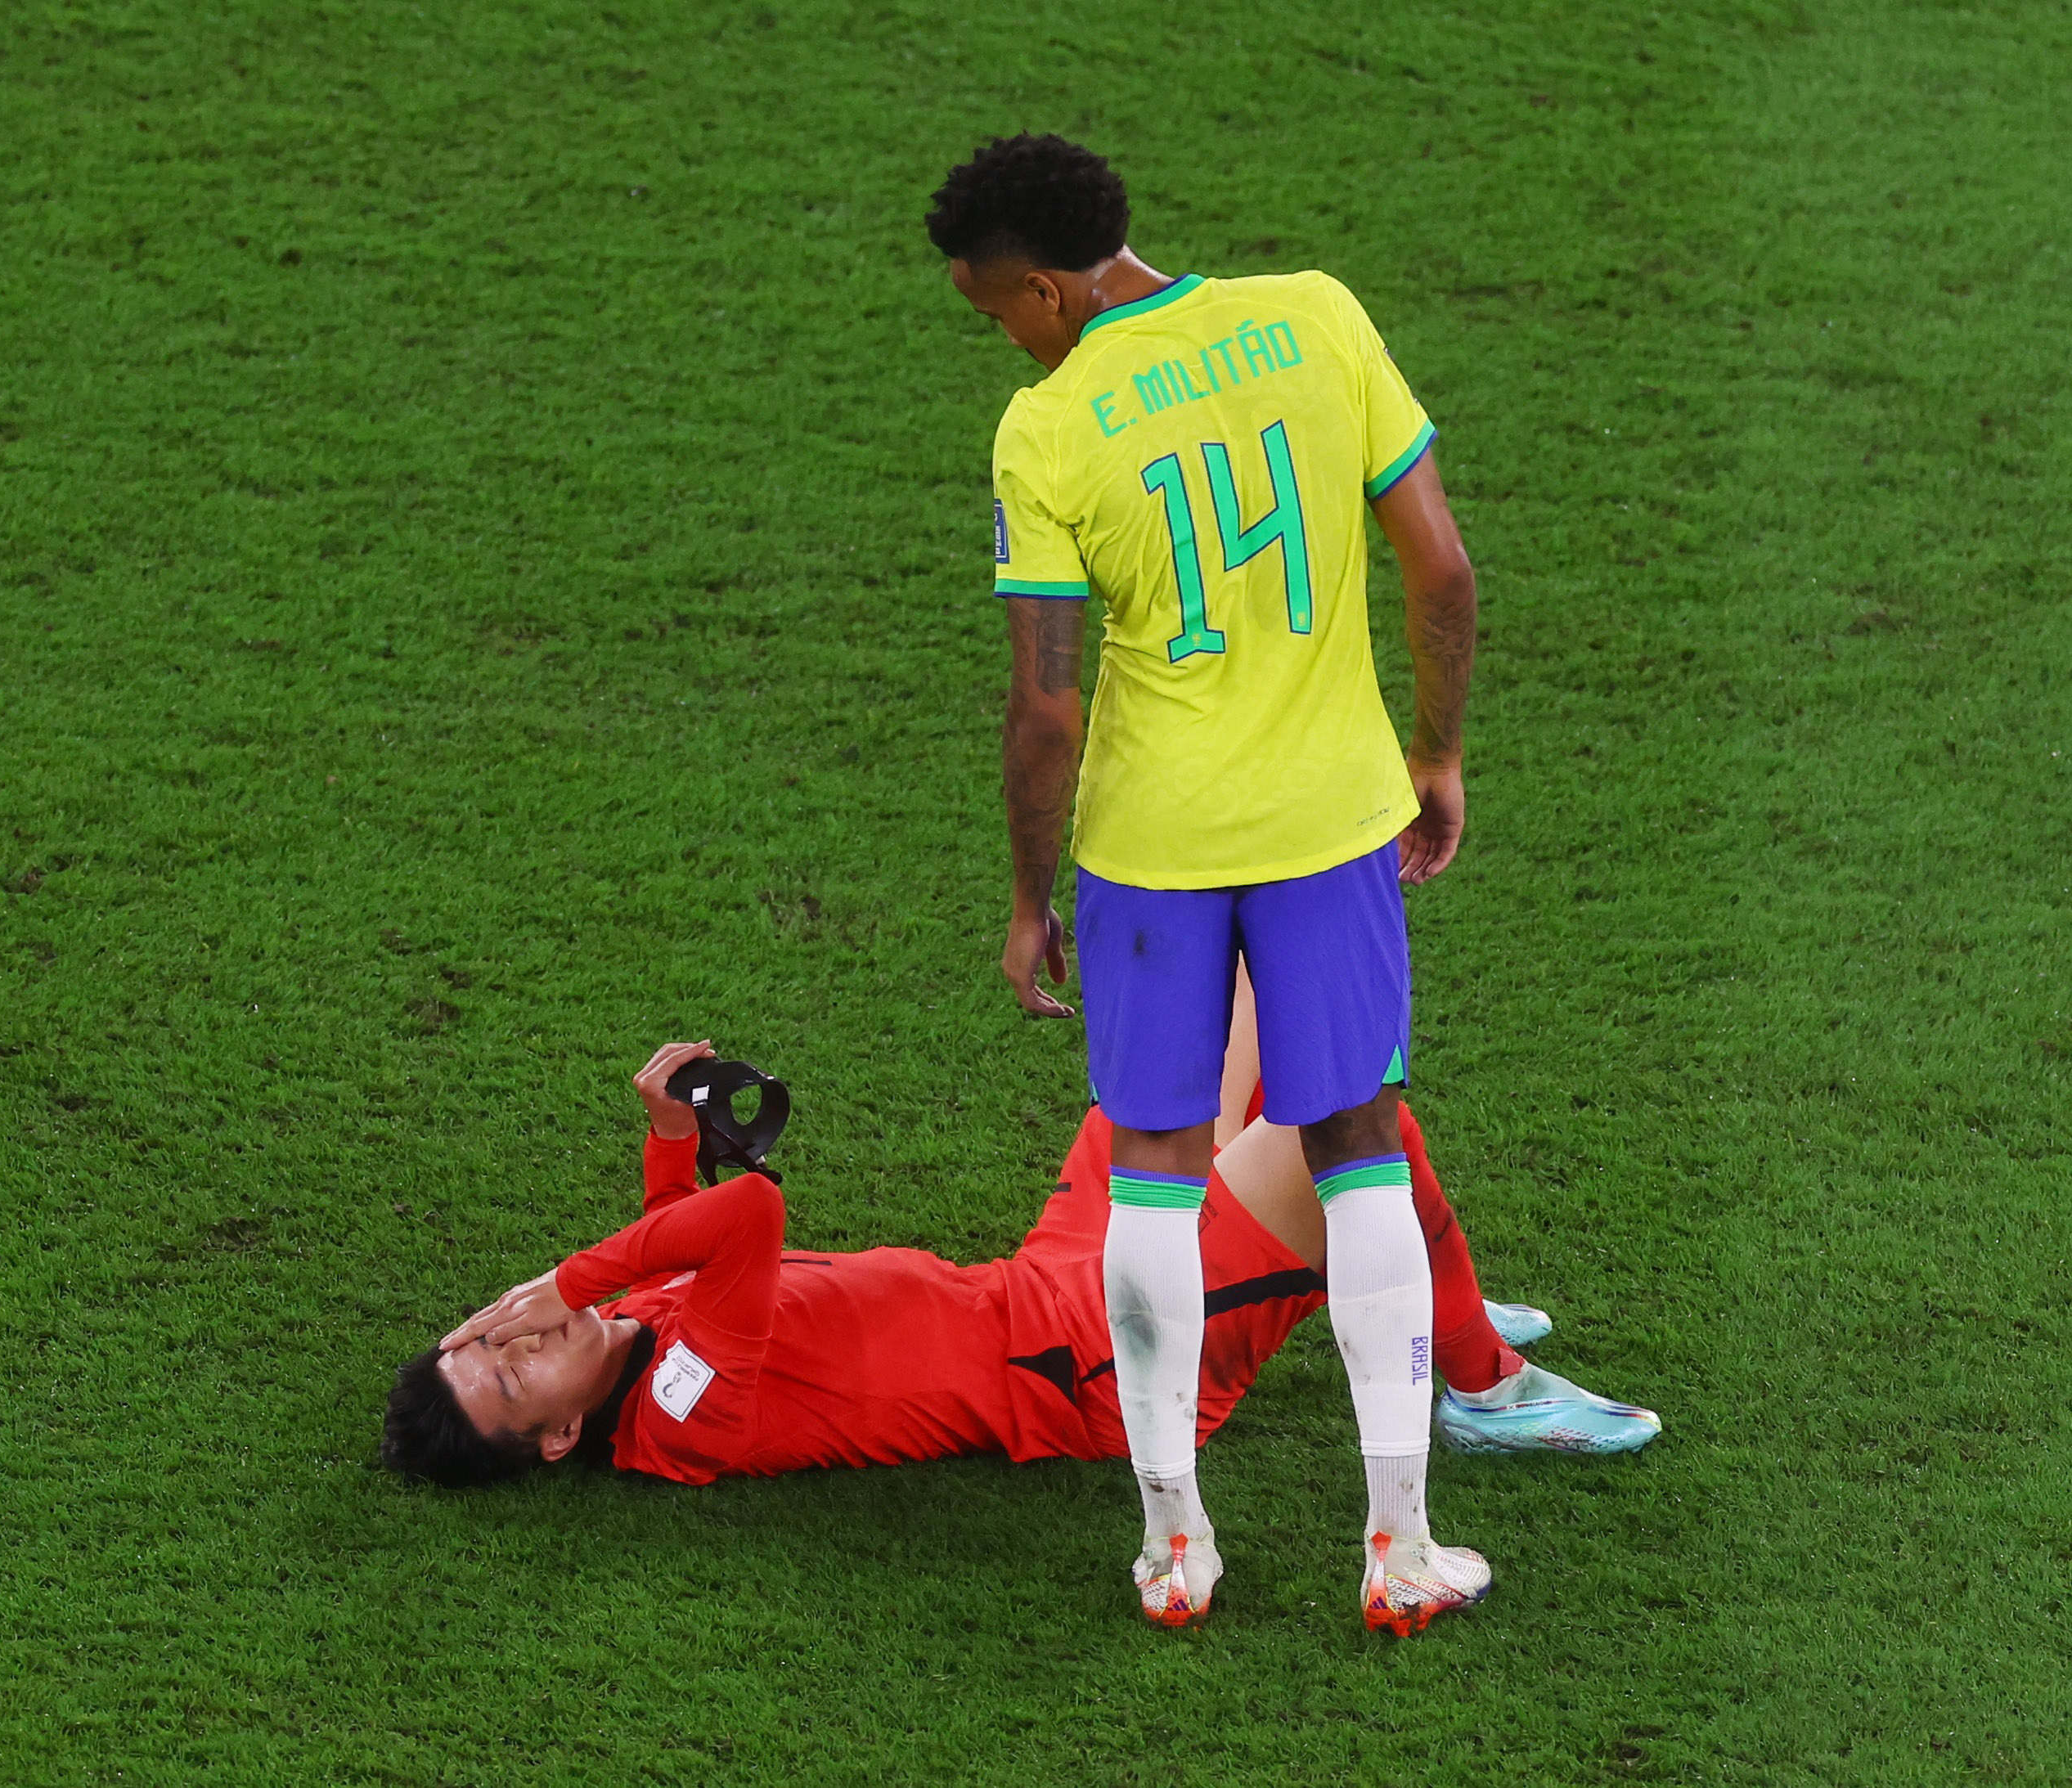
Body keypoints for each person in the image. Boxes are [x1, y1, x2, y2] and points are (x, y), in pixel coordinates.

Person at [926, 133, 1487, 1628]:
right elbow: (1439, 569)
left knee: (1153, 1175)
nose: (1006, 337)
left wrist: (1033, 898)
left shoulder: (1047, 433)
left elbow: (1048, 708)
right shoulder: (1314, 313)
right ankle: (1398, 1546)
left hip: (1149, 855)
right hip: (1327, 825)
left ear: (1043, 288)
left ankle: (1177, 1548)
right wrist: (1435, 755)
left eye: (997, 313)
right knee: (1358, 1146)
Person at [382, 1031, 1661, 1634]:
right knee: (1353, 1125)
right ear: (556, 1439)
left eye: (484, 1338)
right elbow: (747, 1220)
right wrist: (566, 1268)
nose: (519, 1335)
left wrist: (668, 1130)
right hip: (1097, 1356)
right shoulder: (676, 1416)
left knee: (1240, 1000)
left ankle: (1407, 1304)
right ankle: (1474, 1378)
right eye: (509, 1372)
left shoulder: (644, 1341)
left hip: (1045, 1274)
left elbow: (683, 1227)